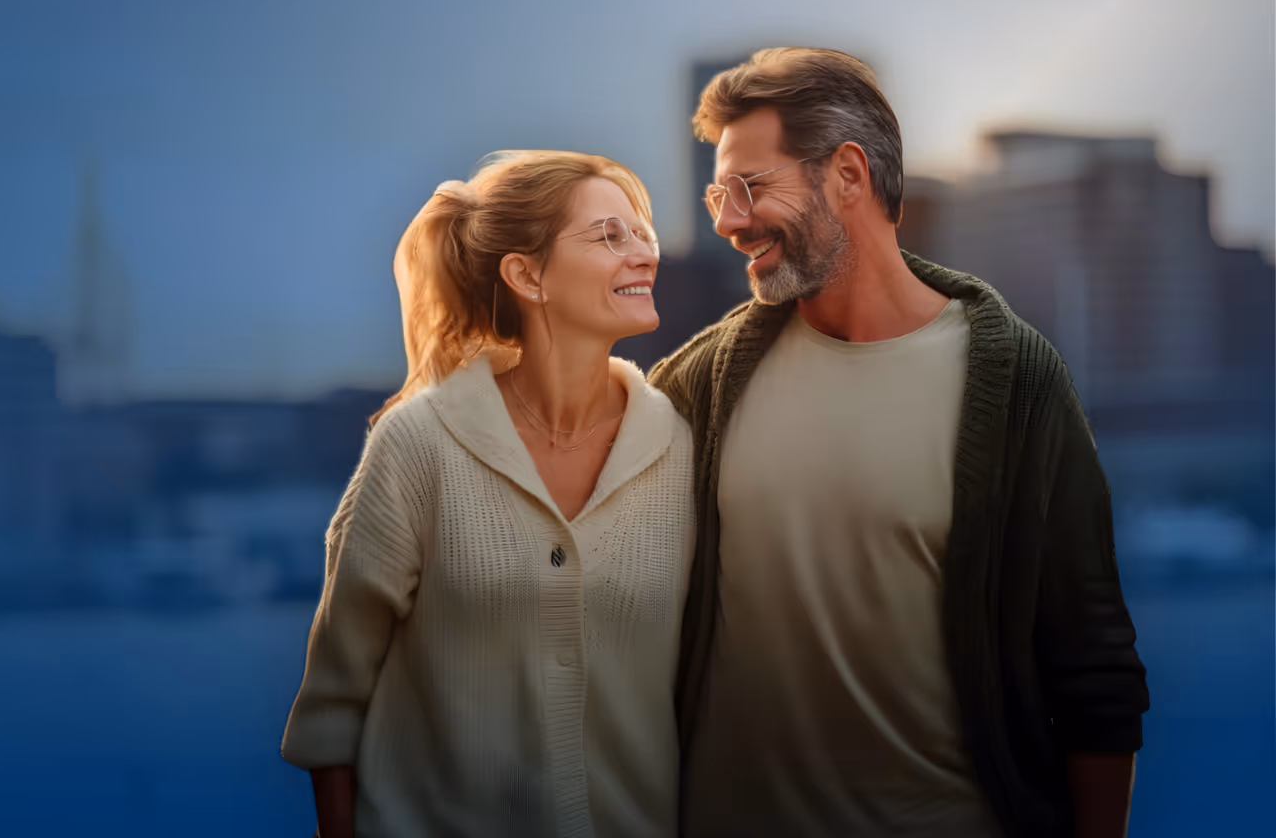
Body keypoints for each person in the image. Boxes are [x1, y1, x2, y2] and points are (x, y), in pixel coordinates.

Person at [650, 48, 1149, 838]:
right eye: (719, 192)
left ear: (847, 175)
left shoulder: (1019, 384)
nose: (727, 221)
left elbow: (1093, 672)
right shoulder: (697, 388)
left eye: (750, 187)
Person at [281, 150, 696, 837]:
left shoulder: (678, 449)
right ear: (526, 274)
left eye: (641, 232)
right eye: (609, 236)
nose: (644, 255)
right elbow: (333, 708)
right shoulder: (419, 445)